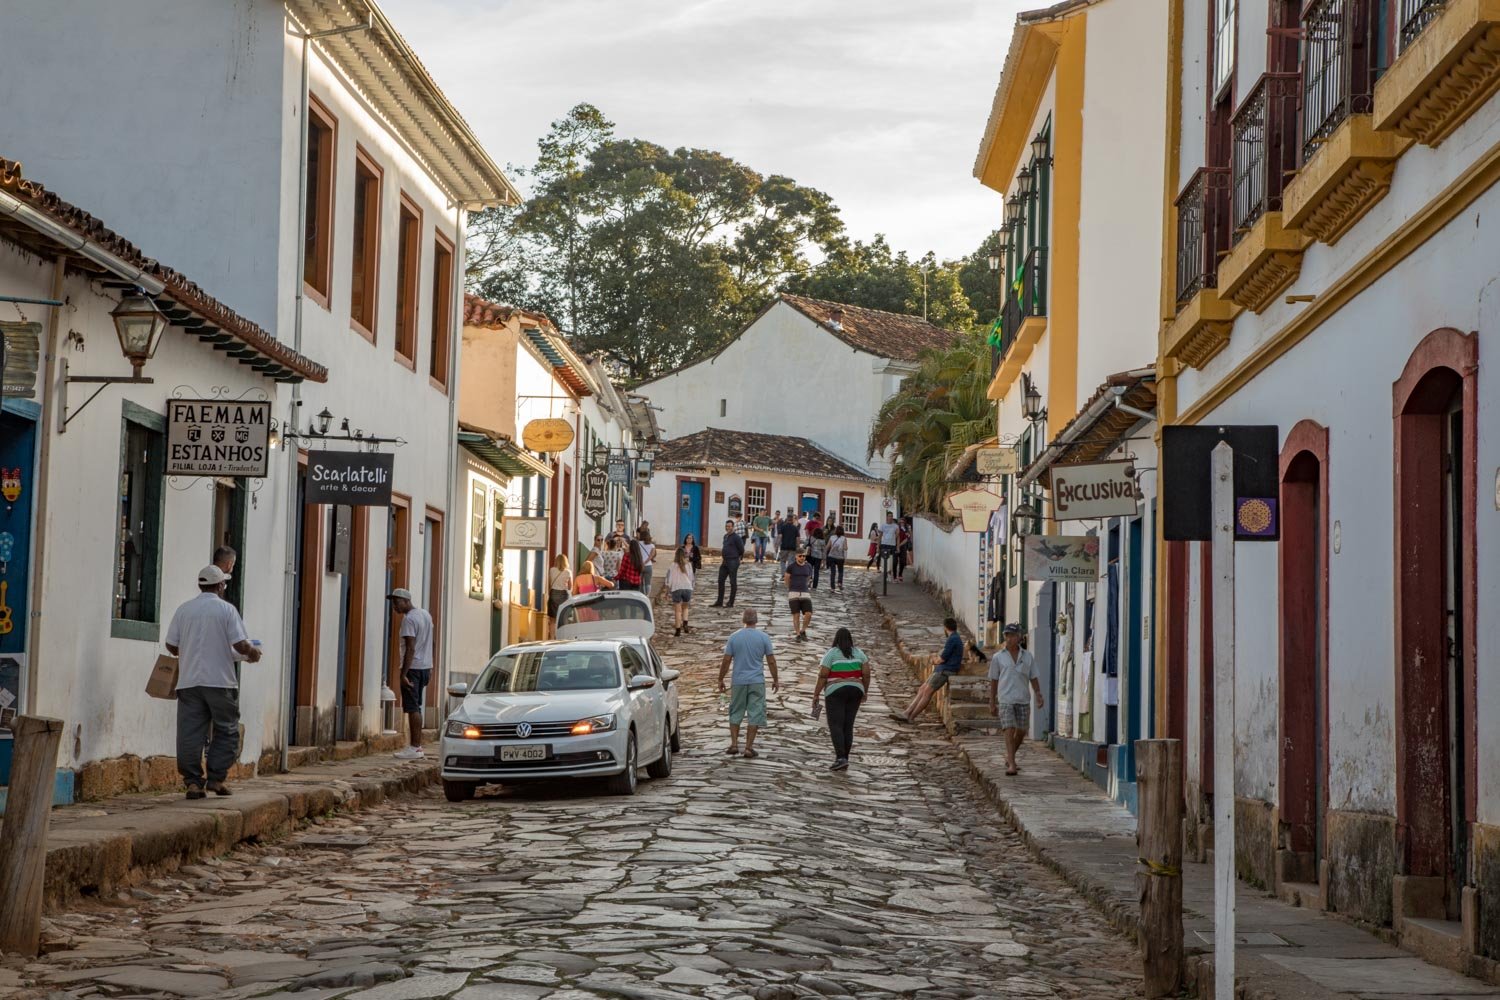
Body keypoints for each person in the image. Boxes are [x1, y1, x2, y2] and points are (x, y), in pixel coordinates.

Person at [166, 565, 261, 798]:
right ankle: (216, 779)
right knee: (227, 729)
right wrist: (253, 653)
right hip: (219, 681)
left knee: (189, 732)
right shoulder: (226, 610)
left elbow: (171, 645)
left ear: (201, 585)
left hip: (188, 682)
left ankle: (193, 783)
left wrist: (189, 649)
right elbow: (240, 644)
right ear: (220, 586)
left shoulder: (184, 610)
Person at [717, 609, 780, 758]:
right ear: (756, 621)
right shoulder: (763, 638)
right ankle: (748, 747)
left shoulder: (734, 637)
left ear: (743, 620)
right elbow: (771, 660)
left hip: (738, 681)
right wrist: (775, 679)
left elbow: (726, 660)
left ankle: (733, 744)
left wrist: (720, 679)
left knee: (735, 711)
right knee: (755, 713)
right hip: (756, 681)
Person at [988, 623, 1044, 775]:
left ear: (1019, 637)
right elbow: (994, 680)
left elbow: (1033, 676)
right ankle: (1012, 763)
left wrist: (1038, 694)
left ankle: (1009, 756)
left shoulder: (1027, 656)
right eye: (1007, 635)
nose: (1009, 638)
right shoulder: (998, 657)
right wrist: (992, 702)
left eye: (1012, 635)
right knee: (1009, 728)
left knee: (1021, 731)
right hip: (1005, 698)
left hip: (1023, 698)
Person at [812, 627, 870, 770]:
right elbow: (866, 674)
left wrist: (816, 694)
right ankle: (845, 757)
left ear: (836, 639)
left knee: (836, 725)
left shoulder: (831, 654)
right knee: (848, 725)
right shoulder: (860, 653)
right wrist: (865, 691)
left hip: (835, 691)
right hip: (856, 690)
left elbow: (823, 675)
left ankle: (841, 758)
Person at [388, 588, 435, 759]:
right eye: (393, 602)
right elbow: (433, 642)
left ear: (407, 601)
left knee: (412, 707)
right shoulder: (425, 615)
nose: (394, 606)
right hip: (424, 667)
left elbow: (410, 647)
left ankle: (415, 747)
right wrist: (430, 665)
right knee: (417, 706)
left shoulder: (409, 620)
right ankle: (416, 746)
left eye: (397, 602)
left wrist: (403, 674)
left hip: (413, 668)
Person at [895, 617, 969, 723]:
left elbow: (941, 659)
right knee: (922, 688)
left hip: (945, 670)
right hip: (942, 669)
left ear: (945, 628)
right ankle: (907, 712)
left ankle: (911, 717)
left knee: (927, 692)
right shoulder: (955, 638)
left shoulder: (952, 639)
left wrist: (934, 659)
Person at [783, 549, 815, 642]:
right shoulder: (791, 567)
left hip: (805, 592)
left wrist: (805, 585)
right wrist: (790, 588)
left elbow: (808, 577)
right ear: (796, 556)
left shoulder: (808, 566)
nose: (802, 558)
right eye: (800, 556)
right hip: (793, 593)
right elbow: (787, 578)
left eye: (804, 556)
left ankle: (803, 631)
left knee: (808, 613)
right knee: (796, 615)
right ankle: (797, 634)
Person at [712, 519, 745, 607]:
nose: (728, 528)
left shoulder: (736, 537)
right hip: (725, 561)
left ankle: (731, 602)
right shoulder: (725, 536)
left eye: (729, 526)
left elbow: (741, 549)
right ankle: (719, 601)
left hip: (733, 561)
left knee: (732, 582)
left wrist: (737, 558)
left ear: (733, 527)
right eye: (727, 526)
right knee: (720, 580)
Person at [664, 547, 696, 636]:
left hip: (676, 588)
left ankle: (678, 629)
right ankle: (685, 624)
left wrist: (667, 592)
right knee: (685, 608)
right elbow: (692, 578)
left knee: (677, 611)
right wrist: (691, 588)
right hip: (687, 588)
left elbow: (668, 580)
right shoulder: (688, 565)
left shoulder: (673, 565)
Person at [546, 554, 572, 639]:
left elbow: (549, 583)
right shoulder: (568, 572)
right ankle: (563, 637)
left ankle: (552, 637)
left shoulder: (552, 570)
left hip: (554, 594)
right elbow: (570, 587)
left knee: (552, 619)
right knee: (564, 618)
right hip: (564, 595)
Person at [825, 525, 847, 591]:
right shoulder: (844, 538)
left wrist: (824, 555)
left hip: (831, 556)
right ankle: (840, 583)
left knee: (833, 572)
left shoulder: (832, 537)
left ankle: (832, 587)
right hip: (840, 557)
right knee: (840, 571)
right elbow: (845, 548)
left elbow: (827, 547)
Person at [636, 527, 656, 596]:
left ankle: (642, 595)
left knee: (640, 582)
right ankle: (647, 595)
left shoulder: (637, 544)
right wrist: (646, 562)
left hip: (640, 565)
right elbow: (651, 556)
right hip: (648, 566)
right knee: (648, 582)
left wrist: (642, 562)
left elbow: (637, 554)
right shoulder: (652, 545)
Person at [878, 513, 900, 577]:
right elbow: (880, 537)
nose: (890, 517)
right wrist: (877, 547)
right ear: (887, 517)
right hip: (884, 544)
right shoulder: (883, 525)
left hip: (892, 545)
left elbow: (898, 537)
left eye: (891, 516)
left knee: (893, 561)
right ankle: (886, 574)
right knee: (884, 561)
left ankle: (891, 573)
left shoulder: (895, 526)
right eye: (889, 516)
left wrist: (898, 547)